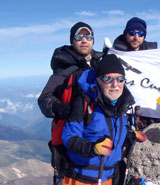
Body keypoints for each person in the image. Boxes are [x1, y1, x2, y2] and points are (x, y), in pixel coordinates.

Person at [61, 54, 145, 185]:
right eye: (108, 79)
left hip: (108, 177)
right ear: (98, 80)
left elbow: (113, 130)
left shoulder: (121, 106)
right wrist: (92, 148)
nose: (115, 84)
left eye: (120, 79)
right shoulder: (85, 102)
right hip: (80, 178)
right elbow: (69, 136)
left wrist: (129, 135)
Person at [38, 22, 104, 185]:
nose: (84, 40)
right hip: (69, 139)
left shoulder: (101, 65)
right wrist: (60, 108)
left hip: (96, 136)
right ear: (72, 41)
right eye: (79, 37)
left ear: (93, 41)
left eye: (88, 37)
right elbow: (44, 99)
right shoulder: (64, 69)